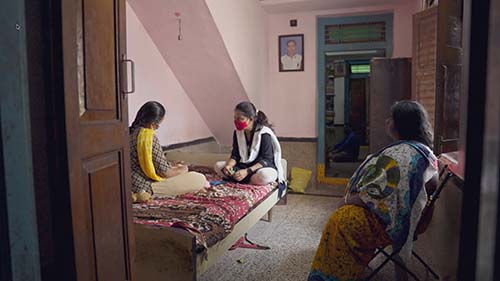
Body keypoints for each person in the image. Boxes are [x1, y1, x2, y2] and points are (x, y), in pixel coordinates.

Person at [309, 101, 439, 281]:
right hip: (409, 216)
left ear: (401, 123)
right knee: (341, 217)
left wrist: (346, 200)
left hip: (395, 222)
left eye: (391, 118)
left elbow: (375, 194)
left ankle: (332, 276)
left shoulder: (404, 154)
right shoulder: (419, 150)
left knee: (340, 220)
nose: (387, 121)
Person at [129, 101, 207, 203]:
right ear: (152, 124)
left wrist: (172, 166)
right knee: (198, 178)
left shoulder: (128, 132)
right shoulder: (147, 137)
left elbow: (151, 164)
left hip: (127, 183)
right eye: (157, 126)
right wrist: (183, 169)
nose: (156, 129)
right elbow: (166, 173)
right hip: (145, 186)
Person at [214, 102, 285, 185]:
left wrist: (247, 171)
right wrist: (229, 166)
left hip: (260, 168)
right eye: (235, 118)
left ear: (251, 119)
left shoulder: (264, 133)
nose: (236, 121)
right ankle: (244, 180)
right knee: (218, 166)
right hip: (243, 166)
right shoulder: (237, 133)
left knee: (264, 176)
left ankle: (244, 180)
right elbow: (235, 155)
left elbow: (267, 159)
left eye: (240, 119)